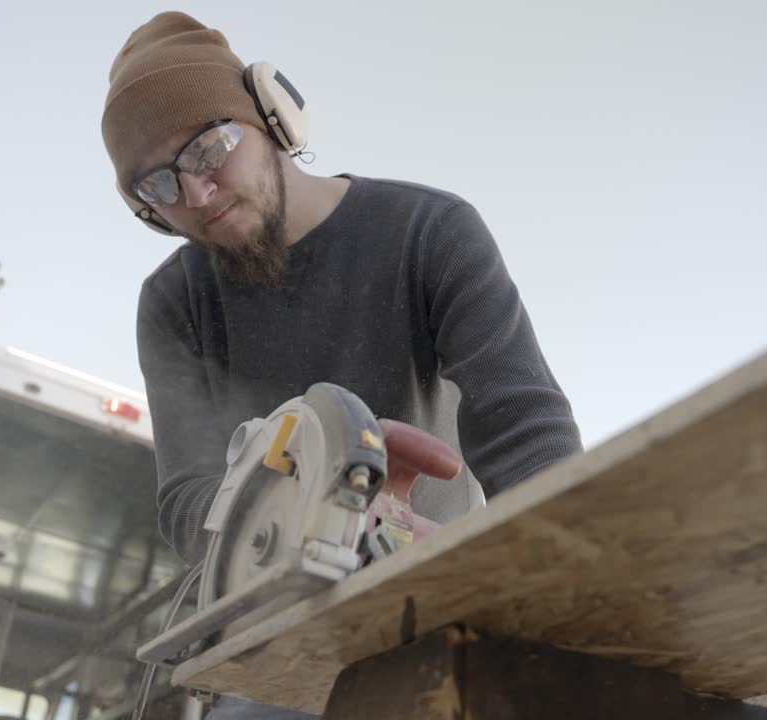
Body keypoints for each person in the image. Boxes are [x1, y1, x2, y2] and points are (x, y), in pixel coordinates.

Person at [100, 11, 583, 719]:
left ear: (272, 115)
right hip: (281, 632)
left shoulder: (429, 232)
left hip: (443, 588)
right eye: (160, 187)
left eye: (208, 150)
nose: (195, 194)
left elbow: (524, 427)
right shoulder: (175, 303)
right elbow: (186, 497)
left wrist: (542, 579)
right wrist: (311, 514)